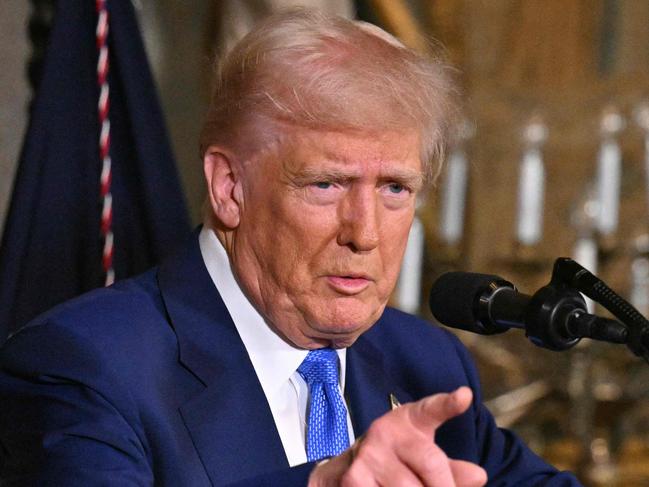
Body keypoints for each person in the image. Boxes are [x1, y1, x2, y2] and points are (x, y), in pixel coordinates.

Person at [0, 8, 581, 486]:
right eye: (326, 184)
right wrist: (324, 483)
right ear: (230, 188)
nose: (366, 233)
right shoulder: (82, 366)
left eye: (395, 189)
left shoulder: (426, 363)